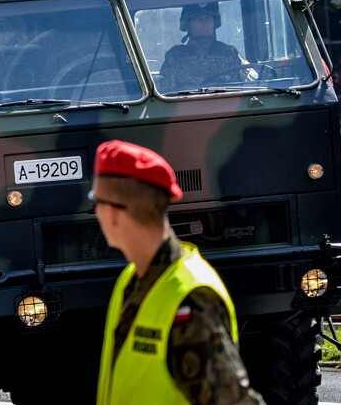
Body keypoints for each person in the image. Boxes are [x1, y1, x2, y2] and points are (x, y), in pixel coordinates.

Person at [90, 140, 262, 404]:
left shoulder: (190, 298)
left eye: (96, 203)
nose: (96, 214)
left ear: (112, 213)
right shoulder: (132, 278)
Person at [157, 3, 254, 92]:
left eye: (208, 18)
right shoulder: (175, 56)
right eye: (198, 19)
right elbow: (166, 92)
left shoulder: (229, 53)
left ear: (214, 22)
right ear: (188, 25)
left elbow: (253, 81)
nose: (204, 24)